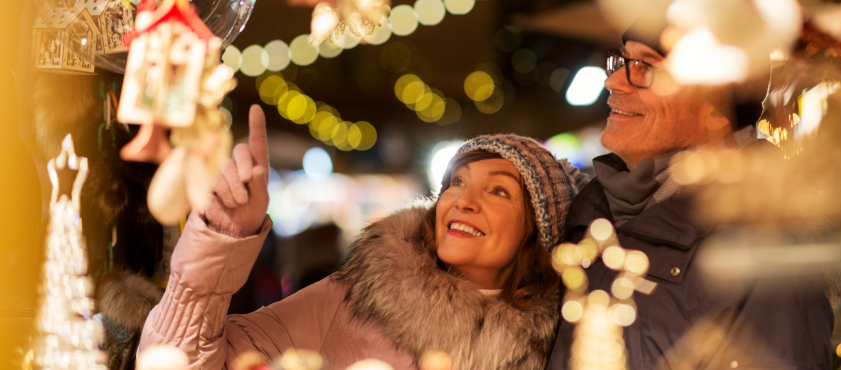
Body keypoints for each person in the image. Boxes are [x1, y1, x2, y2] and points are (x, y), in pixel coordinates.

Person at [136, 105, 589, 370]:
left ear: (539, 231)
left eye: (497, 191)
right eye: (456, 182)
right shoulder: (354, 300)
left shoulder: (561, 346)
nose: (462, 200)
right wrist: (222, 237)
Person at [546, 23, 835, 370]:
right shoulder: (583, 217)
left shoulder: (767, 244)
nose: (613, 81)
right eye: (623, 61)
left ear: (716, 104)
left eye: (646, 67)